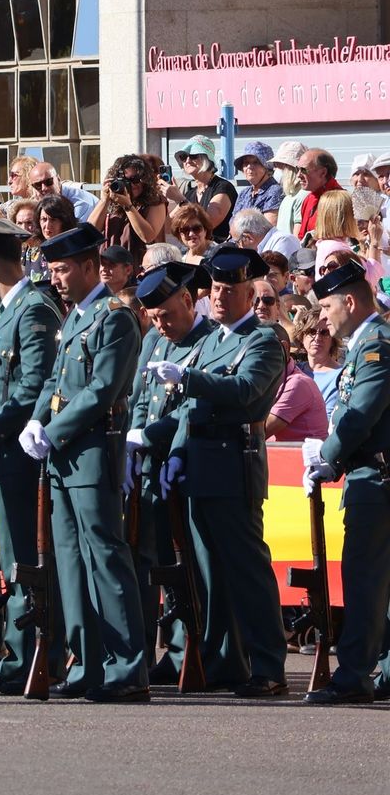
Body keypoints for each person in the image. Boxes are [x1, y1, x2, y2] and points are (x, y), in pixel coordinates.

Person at [147, 247, 289, 697]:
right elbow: (189, 412)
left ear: (250, 293)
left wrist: (188, 379)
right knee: (209, 572)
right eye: (216, 290)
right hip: (201, 464)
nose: (221, 298)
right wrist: (171, 449)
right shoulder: (212, 341)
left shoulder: (263, 340)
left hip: (233, 463)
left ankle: (268, 665)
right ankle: (224, 661)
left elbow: (246, 392)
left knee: (246, 570)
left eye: (231, 290)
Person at [19, 224, 150, 702]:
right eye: (51, 269)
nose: (55, 278)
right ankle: (87, 660)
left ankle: (126, 666)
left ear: (91, 266)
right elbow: (55, 382)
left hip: (93, 451)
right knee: (71, 563)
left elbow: (103, 390)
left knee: (105, 558)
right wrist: (35, 422)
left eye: (62, 268)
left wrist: (52, 432)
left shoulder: (114, 317)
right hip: (63, 456)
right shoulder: (76, 317)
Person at [0, 220, 63, 694]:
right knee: (13, 561)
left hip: (19, 452)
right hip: (2, 450)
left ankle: (34, 655)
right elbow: (0, 386)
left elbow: (35, 382)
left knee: (25, 558)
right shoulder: (9, 309)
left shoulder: (34, 307)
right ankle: (23, 654)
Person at [299, 260, 390, 703]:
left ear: (350, 301)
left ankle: (355, 676)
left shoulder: (375, 344)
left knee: (365, 581)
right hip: (372, 474)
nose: (325, 317)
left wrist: (327, 457)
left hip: (375, 478)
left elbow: (361, 414)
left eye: (329, 306)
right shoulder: (367, 343)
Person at [126, 259, 216, 684]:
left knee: (182, 565)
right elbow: (141, 395)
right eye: (154, 318)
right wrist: (133, 434)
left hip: (184, 463)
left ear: (187, 300)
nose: (161, 325)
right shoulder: (153, 342)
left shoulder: (208, 342)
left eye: (167, 315)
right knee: (147, 562)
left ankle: (184, 650)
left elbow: (188, 409)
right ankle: (145, 647)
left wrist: (152, 434)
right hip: (148, 465)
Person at [89, 153, 166, 261]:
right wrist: (104, 201)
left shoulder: (155, 201)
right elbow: (90, 233)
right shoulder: (112, 201)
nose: (131, 185)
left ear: (145, 180)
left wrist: (128, 206)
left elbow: (148, 236)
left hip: (139, 266)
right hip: (109, 266)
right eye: (125, 181)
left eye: (135, 180)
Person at [266, 326, 328, 441]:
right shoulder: (271, 378)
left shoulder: (297, 384)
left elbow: (259, 433)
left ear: (284, 347)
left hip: (301, 457)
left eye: (259, 347)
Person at [293, 305, 344, 412]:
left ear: (333, 339)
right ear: (302, 337)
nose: (317, 338)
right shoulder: (294, 370)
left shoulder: (341, 375)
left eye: (324, 333)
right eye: (311, 332)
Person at [296, 147, 343, 240]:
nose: (298, 175)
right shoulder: (308, 199)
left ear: (323, 172)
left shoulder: (340, 201)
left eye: (304, 170)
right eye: (297, 169)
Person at [232, 142, 283, 226]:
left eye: (256, 162)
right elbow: (233, 223)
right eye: (246, 163)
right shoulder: (244, 193)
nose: (249, 167)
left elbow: (267, 228)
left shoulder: (275, 191)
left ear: (266, 167)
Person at [28, 161, 98, 222]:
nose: (44, 188)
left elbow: (76, 234)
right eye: (38, 185)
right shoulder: (36, 203)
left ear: (58, 179)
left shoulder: (79, 203)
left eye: (48, 182)